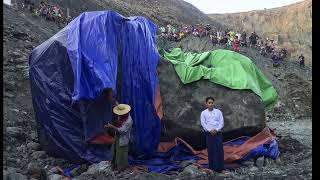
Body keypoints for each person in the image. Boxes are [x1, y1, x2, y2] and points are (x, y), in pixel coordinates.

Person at [200, 97, 225, 173]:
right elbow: (203, 124)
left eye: (212, 103)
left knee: (219, 150)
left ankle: (220, 168)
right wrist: (210, 130)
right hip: (209, 134)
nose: (210, 104)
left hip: (218, 133)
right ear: (206, 104)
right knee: (211, 150)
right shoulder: (203, 113)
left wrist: (216, 130)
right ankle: (212, 168)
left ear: (214, 103)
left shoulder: (218, 112)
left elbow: (222, 122)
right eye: (209, 103)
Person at [105, 104, 133, 172]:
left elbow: (122, 131)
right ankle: (113, 165)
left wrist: (112, 126)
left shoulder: (128, 121)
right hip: (117, 136)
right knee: (114, 150)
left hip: (123, 138)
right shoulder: (122, 116)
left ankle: (121, 168)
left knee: (121, 153)